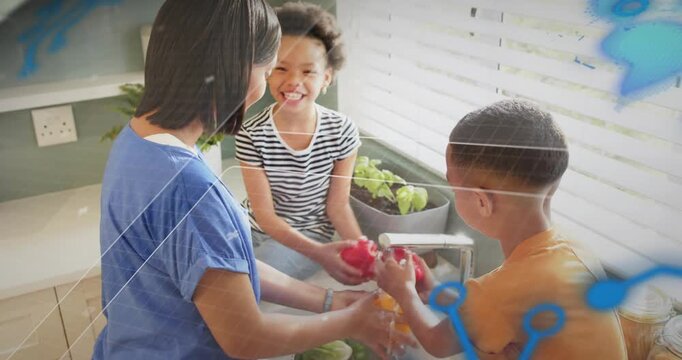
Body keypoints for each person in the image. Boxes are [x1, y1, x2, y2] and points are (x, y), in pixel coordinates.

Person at [94, 1, 411, 359]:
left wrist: (330, 300)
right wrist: (353, 322)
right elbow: (246, 338)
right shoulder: (188, 188)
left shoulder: (140, 142)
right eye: (269, 67)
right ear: (235, 68)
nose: (263, 86)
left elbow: (226, 267)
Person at [374, 99, 628, 359]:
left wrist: (403, 292)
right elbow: (498, 308)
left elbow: (438, 342)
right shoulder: (570, 248)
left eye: (453, 185)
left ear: (481, 201)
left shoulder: (513, 284)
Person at [236, 2, 366, 284]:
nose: (293, 81)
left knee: (245, 282)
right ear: (268, 70)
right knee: (208, 272)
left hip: (309, 236)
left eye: (308, 72)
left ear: (326, 78)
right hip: (252, 225)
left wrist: (366, 252)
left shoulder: (342, 131)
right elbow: (265, 216)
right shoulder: (251, 133)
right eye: (281, 68)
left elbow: (338, 207)